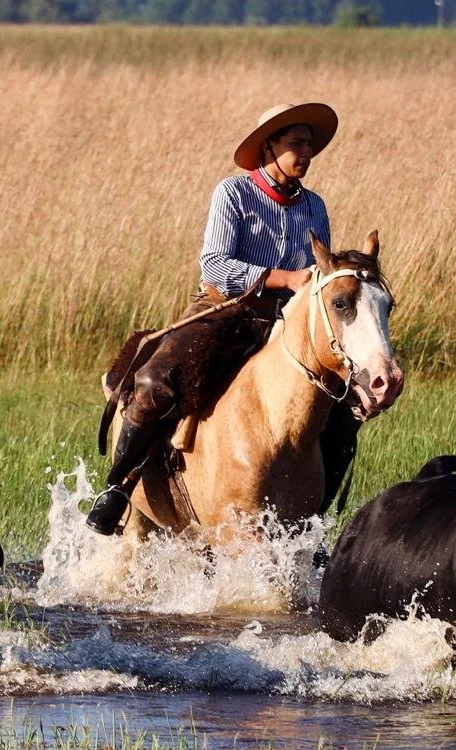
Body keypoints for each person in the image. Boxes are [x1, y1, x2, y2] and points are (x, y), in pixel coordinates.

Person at [86, 102, 361, 536]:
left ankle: (311, 523)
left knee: (343, 416)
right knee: (157, 380)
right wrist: (282, 277)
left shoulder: (315, 207)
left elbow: (321, 273)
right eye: (296, 144)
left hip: (287, 322)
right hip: (222, 310)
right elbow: (215, 265)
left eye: (310, 145)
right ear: (268, 146)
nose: (306, 153)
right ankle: (119, 487)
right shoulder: (232, 194)